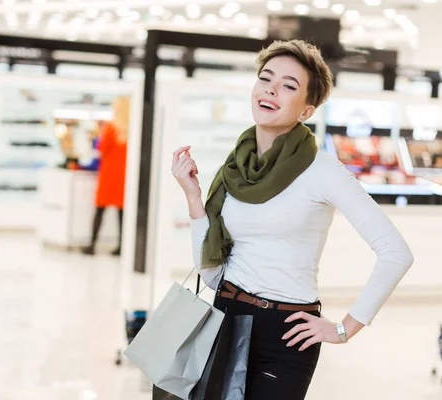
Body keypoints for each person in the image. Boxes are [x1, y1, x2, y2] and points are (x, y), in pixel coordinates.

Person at [171, 40, 414, 399]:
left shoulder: (323, 171)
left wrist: (345, 329)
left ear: (306, 111)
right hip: (224, 314)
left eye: (288, 85)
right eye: (265, 78)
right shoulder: (237, 167)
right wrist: (193, 197)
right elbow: (211, 274)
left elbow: (396, 252)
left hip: (285, 334)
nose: (271, 89)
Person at [82, 96, 130, 256]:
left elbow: (102, 150)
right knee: (122, 214)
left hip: (109, 176)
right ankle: (121, 247)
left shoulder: (111, 128)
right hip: (124, 177)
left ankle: (92, 245)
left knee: (100, 211)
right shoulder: (132, 129)